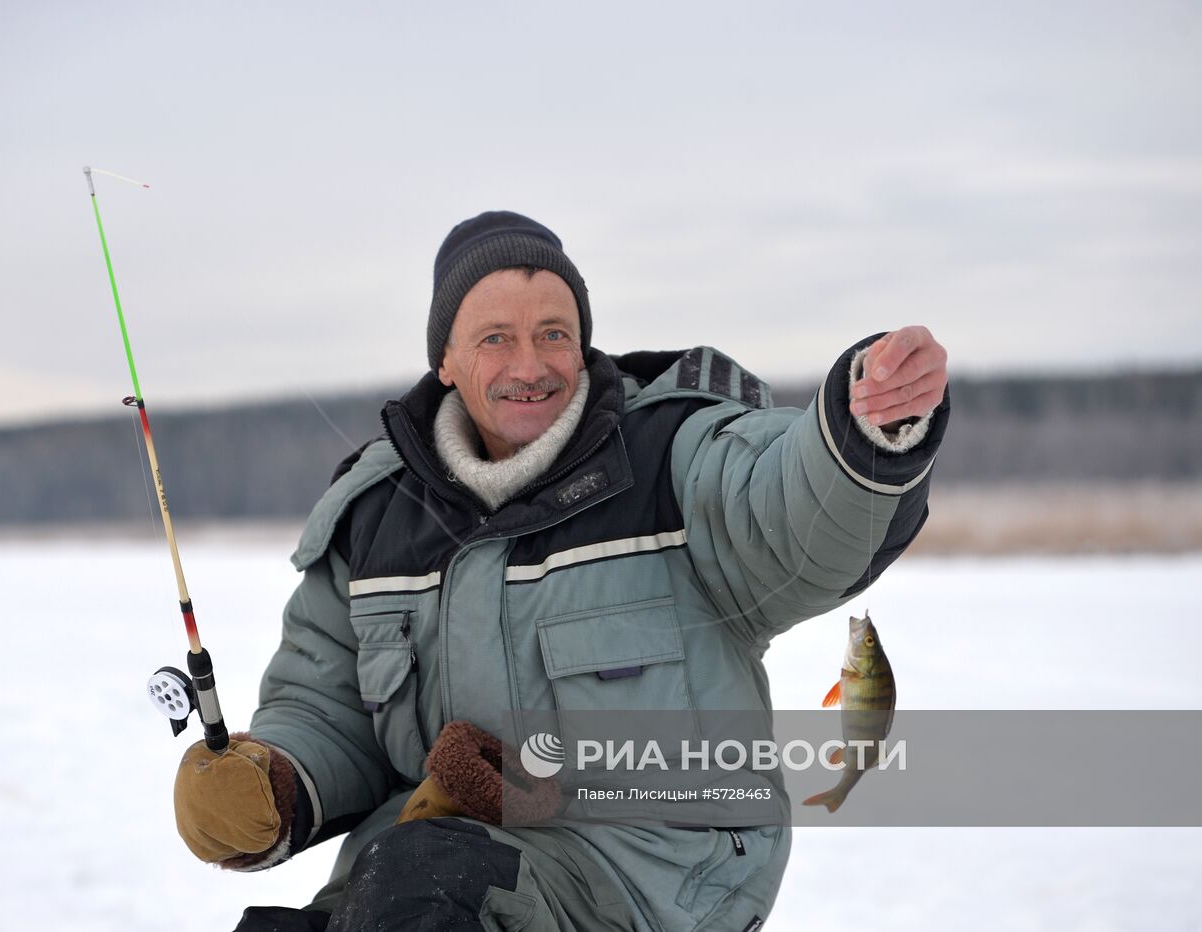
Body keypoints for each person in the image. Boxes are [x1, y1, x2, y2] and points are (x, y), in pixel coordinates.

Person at [172, 211, 950, 931]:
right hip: (431, 870)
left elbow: (786, 505)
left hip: (657, 872)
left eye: (554, 333)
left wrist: (867, 427)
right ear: (444, 357)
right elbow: (325, 705)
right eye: (495, 339)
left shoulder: (669, 459)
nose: (531, 364)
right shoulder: (373, 518)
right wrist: (270, 785)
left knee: (426, 882)